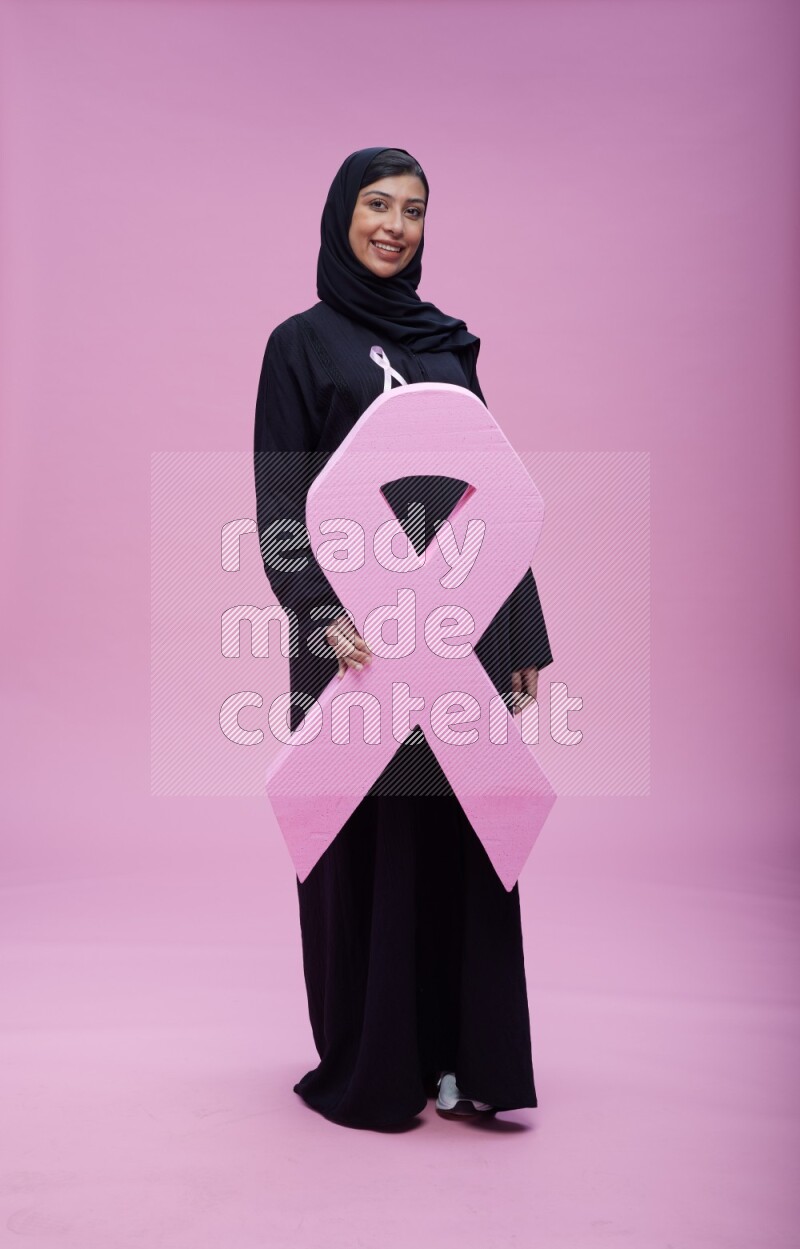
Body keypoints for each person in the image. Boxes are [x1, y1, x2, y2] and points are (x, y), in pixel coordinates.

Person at [253, 147, 553, 1130]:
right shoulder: (299, 346)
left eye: (413, 209)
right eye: (377, 204)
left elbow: (495, 496)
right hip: (357, 641)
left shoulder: (447, 347)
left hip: (456, 631)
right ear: (342, 214)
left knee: (463, 839)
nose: (394, 224)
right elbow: (281, 500)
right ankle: (376, 1062)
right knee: (364, 847)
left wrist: (520, 629)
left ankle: (466, 1061)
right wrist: (318, 611)